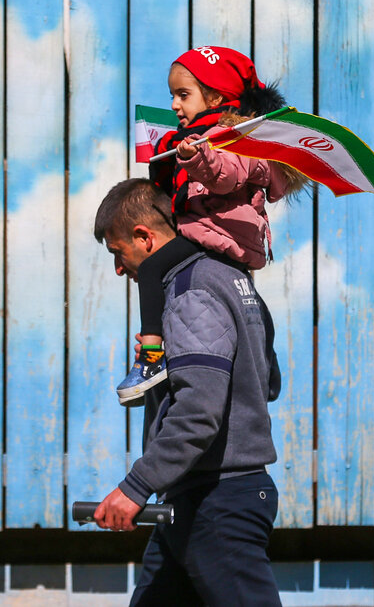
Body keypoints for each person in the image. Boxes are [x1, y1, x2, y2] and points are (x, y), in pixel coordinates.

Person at [93, 178, 283, 606]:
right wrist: (172, 360)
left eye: (117, 253)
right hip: (205, 498)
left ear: (144, 237)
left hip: (216, 503)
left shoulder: (191, 289)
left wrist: (135, 487)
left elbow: (198, 412)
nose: (119, 269)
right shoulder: (233, 278)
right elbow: (266, 381)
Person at [115, 45, 307, 407]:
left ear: (216, 96)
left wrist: (199, 156)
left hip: (218, 233)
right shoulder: (197, 138)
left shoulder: (239, 141)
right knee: (244, 299)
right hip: (211, 231)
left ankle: (151, 357)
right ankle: (265, 364)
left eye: (183, 95)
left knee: (154, 268)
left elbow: (226, 175)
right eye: (172, 95)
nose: (174, 104)